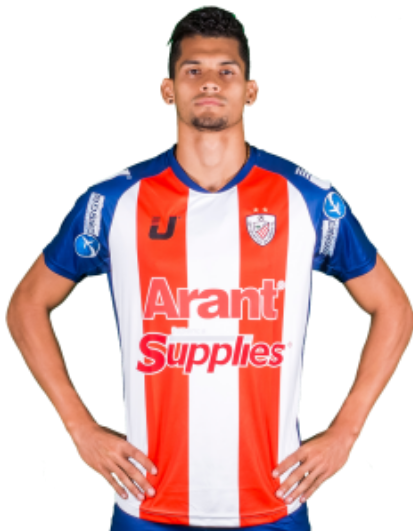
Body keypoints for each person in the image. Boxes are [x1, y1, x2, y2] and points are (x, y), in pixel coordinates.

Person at [5, 5, 413, 531]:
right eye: (193, 69)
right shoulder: (113, 201)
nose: (210, 82)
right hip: (146, 506)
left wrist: (346, 431)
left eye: (227, 70)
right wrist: (79, 427)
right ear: (167, 90)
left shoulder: (308, 200)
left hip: (276, 505)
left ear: (251, 91)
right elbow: (25, 303)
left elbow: (394, 306)